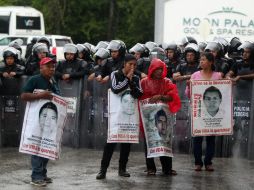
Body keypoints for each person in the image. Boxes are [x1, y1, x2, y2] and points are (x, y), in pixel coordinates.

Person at [96, 54, 143, 180]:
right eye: (130, 64)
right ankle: (103, 170)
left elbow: (139, 94)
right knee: (111, 142)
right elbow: (115, 89)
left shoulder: (137, 77)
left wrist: (132, 82)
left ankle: (122, 169)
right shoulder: (115, 74)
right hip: (116, 114)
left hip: (129, 114)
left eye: (134, 65)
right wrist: (127, 79)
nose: (132, 67)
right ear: (124, 64)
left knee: (127, 141)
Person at [21, 57, 59, 187]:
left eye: (53, 67)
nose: (51, 69)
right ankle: (36, 176)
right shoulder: (35, 79)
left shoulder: (53, 80)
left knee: (46, 146)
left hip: (49, 120)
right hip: (37, 120)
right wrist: (40, 95)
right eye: (48, 66)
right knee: (37, 147)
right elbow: (24, 96)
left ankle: (42, 173)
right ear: (41, 67)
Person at [139, 58, 181, 176]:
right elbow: (139, 97)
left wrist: (161, 97)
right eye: (157, 69)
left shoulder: (167, 82)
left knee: (165, 141)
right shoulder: (144, 82)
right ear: (152, 69)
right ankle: (150, 168)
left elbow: (172, 97)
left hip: (162, 117)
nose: (159, 71)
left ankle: (167, 168)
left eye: (161, 69)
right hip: (148, 117)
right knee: (149, 141)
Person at [185, 52, 222, 172]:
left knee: (211, 138)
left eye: (204, 60)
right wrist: (189, 86)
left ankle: (208, 162)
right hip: (199, 111)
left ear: (211, 62)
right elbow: (188, 94)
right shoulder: (195, 75)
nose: (201, 62)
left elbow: (224, 93)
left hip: (213, 112)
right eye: (200, 60)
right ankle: (198, 162)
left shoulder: (218, 76)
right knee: (197, 138)